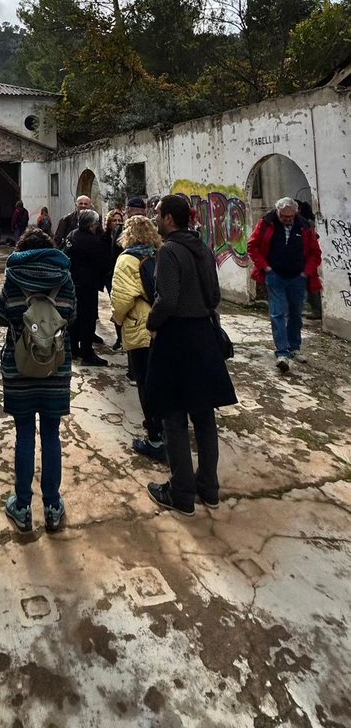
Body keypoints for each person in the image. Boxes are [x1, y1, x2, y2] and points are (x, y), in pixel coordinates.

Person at [145, 194, 237, 516]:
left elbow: (167, 299)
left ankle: (181, 492)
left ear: (170, 218)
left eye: (158, 213)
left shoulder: (169, 250)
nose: (155, 218)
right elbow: (214, 295)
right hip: (204, 336)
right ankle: (208, 487)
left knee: (173, 416)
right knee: (204, 414)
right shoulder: (203, 247)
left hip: (177, 338)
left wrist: (151, 322)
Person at [0, 226, 76, 533]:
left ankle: (23, 505)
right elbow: (74, 314)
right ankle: (53, 506)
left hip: (20, 365)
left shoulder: (13, 277)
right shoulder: (65, 278)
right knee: (52, 434)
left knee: (25, 433)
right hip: (55, 365)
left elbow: (2, 316)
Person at [110, 215, 165, 460]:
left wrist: (117, 319)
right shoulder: (160, 253)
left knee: (145, 381)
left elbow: (121, 298)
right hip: (163, 323)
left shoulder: (127, 259)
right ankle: (171, 428)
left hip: (139, 325)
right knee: (165, 378)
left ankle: (155, 437)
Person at [247, 196, 322, 373]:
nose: (287, 219)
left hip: (298, 277)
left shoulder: (305, 227)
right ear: (278, 212)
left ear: (295, 213)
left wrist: (306, 272)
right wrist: (265, 267)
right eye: (284, 216)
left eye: (290, 216)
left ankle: (294, 347)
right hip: (275, 275)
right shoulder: (266, 223)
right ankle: (282, 352)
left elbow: (314, 252)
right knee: (277, 313)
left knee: (296, 313)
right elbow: (253, 246)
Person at [65, 209, 111, 366]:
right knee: (88, 318)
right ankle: (87, 353)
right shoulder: (91, 241)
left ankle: (73, 349)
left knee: (75, 318)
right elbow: (102, 261)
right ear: (92, 225)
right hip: (87, 284)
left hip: (73, 281)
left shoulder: (72, 235)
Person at [104, 208, 125, 350]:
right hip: (109, 275)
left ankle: (123, 338)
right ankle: (119, 337)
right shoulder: (104, 237)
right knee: (115, 306)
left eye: (119, 220)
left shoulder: (123, 237)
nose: (117, 223)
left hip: (121, 275)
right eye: (114, 220)